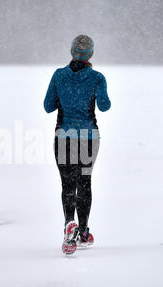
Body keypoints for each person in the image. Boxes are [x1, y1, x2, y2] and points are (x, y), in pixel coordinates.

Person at [43, 34, 111, 249]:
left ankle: (69, 226)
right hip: (89, 138)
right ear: (90, 54)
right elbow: (105, 106)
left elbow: (48, 106)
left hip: (64, 136)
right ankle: (82, 231)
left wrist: (65, 92)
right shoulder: (97, 78)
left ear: (72, 51)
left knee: (67, 185)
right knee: (84, 183)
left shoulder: (59, 75)